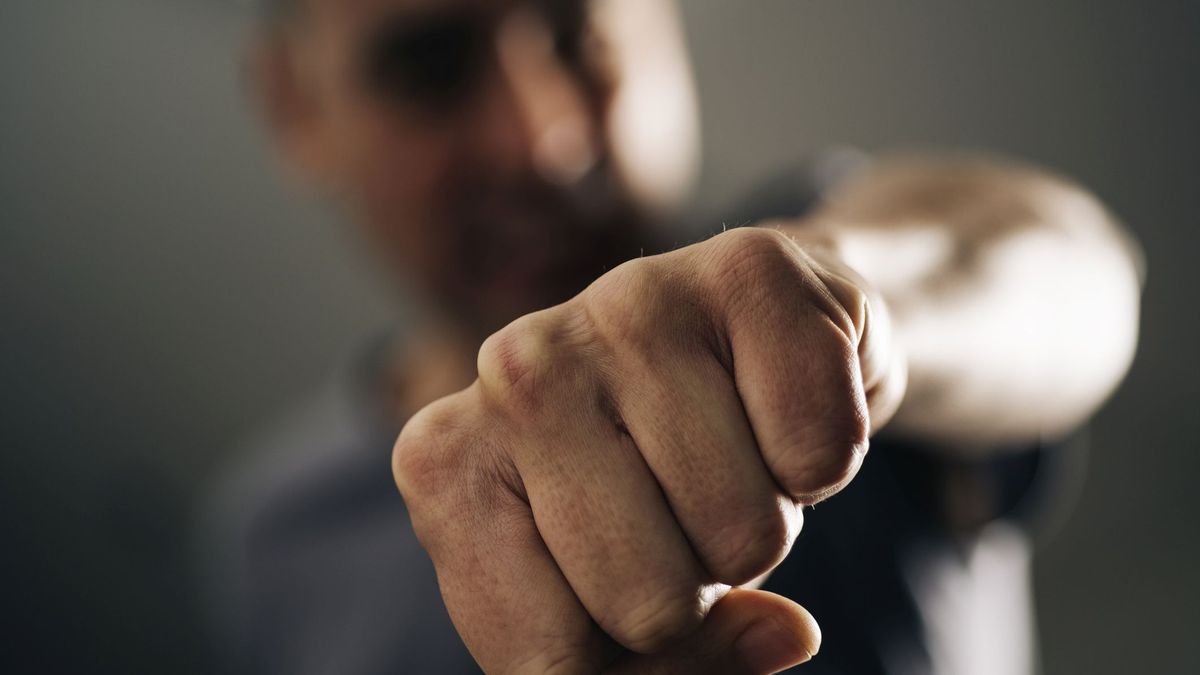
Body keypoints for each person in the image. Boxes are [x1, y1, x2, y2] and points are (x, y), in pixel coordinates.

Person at [202, 0, 1143, 673]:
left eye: (581, 33)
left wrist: (841, 304)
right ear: (296, 106)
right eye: (430, 71)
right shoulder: (273, 537)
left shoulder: (804, 270)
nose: (543, 139)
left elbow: (1064, 272)